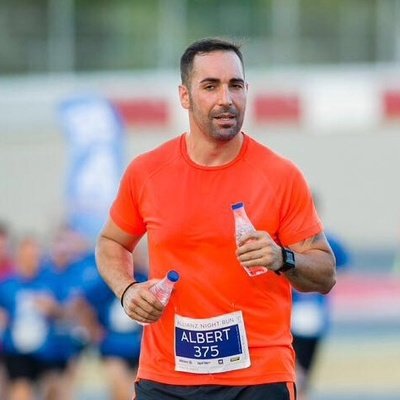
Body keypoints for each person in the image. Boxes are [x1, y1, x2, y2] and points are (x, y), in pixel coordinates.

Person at [95, 37, 336, 400]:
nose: (226, 99)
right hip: (166, 378)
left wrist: (282, 257)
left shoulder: (280, 176)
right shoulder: (147, 173)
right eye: (210, 86)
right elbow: (111, 242)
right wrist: (126, 290)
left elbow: (325, 273)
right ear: (185, 96)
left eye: (235, 85)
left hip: (258, 379)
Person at [291, 230, 350, 400]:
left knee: (303, 376)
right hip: (294, 318)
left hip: (314, 319)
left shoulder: (327, 240)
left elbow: (340, 269)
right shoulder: (286, 239)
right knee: (297, 375)